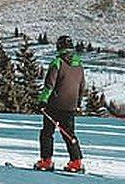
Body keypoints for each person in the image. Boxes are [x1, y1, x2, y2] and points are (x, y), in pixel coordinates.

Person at [35, 35, 86, 173]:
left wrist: (42, 101)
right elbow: (82, 87)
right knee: (69, 134)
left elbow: (49, 85)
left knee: (47, 133)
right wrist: (78, 104)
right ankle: (76, 162)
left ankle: (46, 161)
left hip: (54, 104)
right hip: (70, 105)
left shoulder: (57, 62)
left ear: (59, 47)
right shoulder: (79, 65)